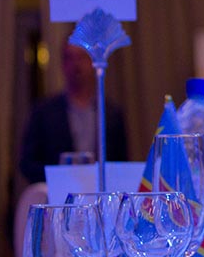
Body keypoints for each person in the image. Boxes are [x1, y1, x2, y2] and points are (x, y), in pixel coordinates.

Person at [18, 39, 128, 184]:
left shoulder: (111, 113)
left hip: (101, 191)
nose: (76, 65)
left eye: (81, 57)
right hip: (57, 193)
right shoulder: (44, 113)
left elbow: (122, 163)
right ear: (62, 64)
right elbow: (28, 163)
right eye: (70, 58)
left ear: (93, 62)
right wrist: (60, 177)